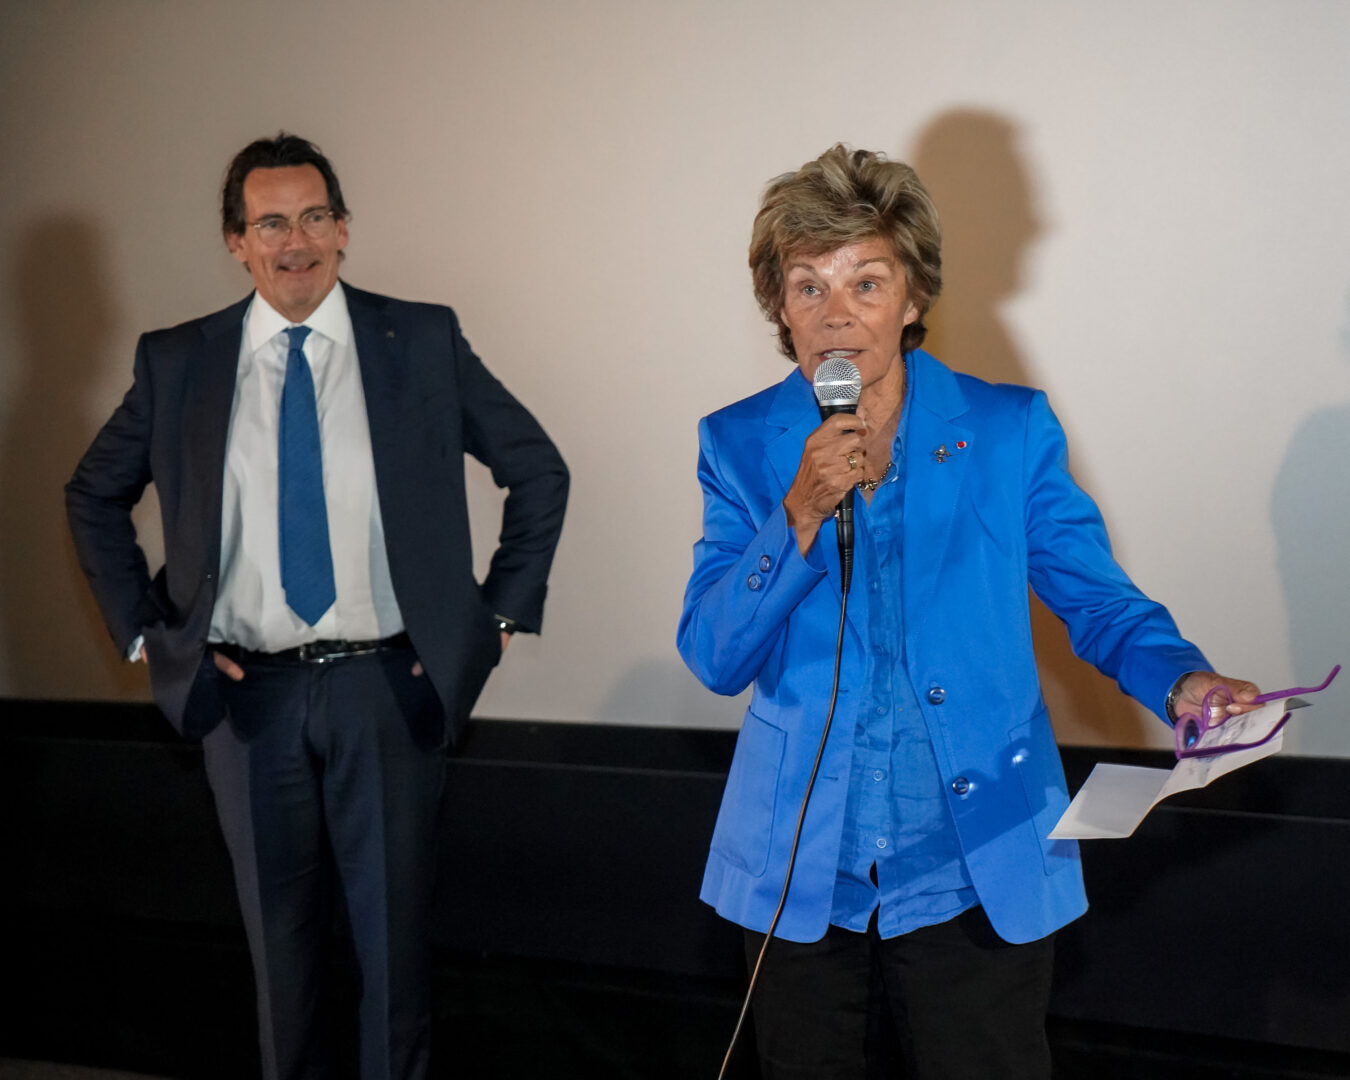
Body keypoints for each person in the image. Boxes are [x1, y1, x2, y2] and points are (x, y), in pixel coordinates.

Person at [676, 144, 1256, 1079]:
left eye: (866, 282)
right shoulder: (741, 442)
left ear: (912, 298)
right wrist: (799, 516)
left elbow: (1096, 600)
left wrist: (1183, 681)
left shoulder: (1005, 428)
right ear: (779, 309)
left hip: (973, 861)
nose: (836, 315)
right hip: (800, 872)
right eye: (807, 286)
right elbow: (712, 655)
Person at [66, 133, 568, 1080]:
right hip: (245, 706)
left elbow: (538, 472)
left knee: (394, 968)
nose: (294, 241)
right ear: (236, 242)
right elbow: (91, 495)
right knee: (282, 969)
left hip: (389, 691)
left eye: (312, 218)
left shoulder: (418, 340)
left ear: (343, 230)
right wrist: (149, 636)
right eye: (269, 223)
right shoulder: (180, 363)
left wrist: (487, 624)